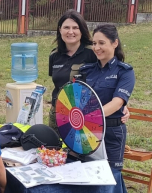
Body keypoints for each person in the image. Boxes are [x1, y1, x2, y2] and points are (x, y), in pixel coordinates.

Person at [48, 10, 128, 135]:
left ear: (82, 30)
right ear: (60, 30)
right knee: (55, 151)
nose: (70, 32)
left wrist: (123, 106)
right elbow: (57, 84)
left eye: (75, 27)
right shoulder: (54, 55)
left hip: (84, 116)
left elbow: (112, 78)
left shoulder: (94, 52)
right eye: (66, 27)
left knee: (78, 152)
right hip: (58, 114)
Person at [80, 24, 136, 171]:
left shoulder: (125, 72)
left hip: (112, 132)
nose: (97, 47)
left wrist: (91, 117)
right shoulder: (87, 71)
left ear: (115, 43)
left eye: (101, 43)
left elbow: (117, 103)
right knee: (89, 172)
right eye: (94, 43)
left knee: (112, 176)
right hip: (89, 131)